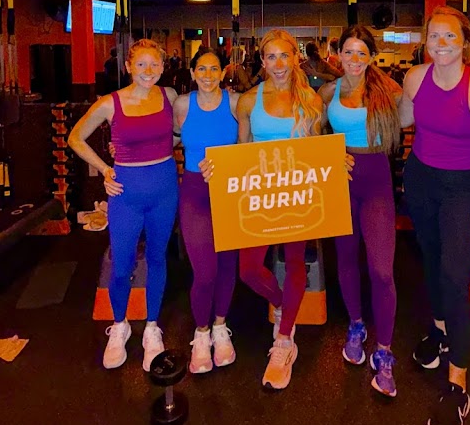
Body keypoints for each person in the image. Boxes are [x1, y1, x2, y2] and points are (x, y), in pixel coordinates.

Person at [400, 6, 470, 425]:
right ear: (425, 41)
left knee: (454, 275)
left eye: (450, 36)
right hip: (421, 180)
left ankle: (458, 384)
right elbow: (399, 121)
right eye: (434, 36)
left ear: (465, 42)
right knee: (430, 261)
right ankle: (441, 330)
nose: (441, 44)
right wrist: (348, 91)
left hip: (464, 189)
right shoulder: (414, 79)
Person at [205, 29, 323, 390]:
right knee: (249, 270)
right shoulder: (248, 101)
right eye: (271, 57)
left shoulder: (310, 100)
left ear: (296, 57)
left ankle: (285, 340)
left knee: (295, 263)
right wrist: (216, 168)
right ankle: (283, 305)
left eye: (284, 55)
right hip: (261, 194)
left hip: (297, 192)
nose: (278, 64)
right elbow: (241, 151)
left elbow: (317, 149)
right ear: (262, 61)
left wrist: (338, 161)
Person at [68, 39, 179, 371]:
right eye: (141, 64)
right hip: (125, 193)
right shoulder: (109, 103)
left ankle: (152, 327)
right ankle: (120, 325)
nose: (148, 70)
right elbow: (75, 138)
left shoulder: (170, 96)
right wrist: (105, 169)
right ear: (128, 66)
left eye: (155, 64)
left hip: (164, 190)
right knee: (121, 264)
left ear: (163, 67)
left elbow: (178, 135)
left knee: (157, 258)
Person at [319, 26, 402, 397]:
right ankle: (355, 323)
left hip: (376, 180)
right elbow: (311, 132)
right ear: (338, 55)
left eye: (361, 53)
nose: (354, 60)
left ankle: (384, 350)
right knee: (346, 257)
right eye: (348, 52)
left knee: (382, 270)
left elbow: (414, 117)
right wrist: (330, 151)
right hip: (342, 180)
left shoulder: (389, 90)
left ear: (371, 56)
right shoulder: (328, 92)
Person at [174, 48, 240, 374]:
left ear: (223, 72)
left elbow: (252, 145)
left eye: (215, 69)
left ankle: (219, 325)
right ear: (192, 72)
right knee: (205, 271)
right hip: (195, 192)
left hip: (230, 191)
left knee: (228, 264)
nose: (208, 75)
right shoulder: (182, 105)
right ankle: (201, 333)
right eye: (202, 69)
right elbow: (169, 140)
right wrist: (122, 146)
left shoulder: (237, 103)